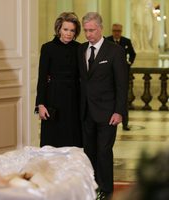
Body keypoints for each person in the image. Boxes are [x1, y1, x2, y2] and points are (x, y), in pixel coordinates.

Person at [78, 12, 128, 200]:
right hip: (85, 111)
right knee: (89, 152)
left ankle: (106, 191)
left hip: (108, 113)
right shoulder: (80, 49)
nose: (88, 34)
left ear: (101, 28)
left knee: (104, 152)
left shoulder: (114, 51)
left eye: (92, 30)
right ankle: (91, 187)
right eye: (86, 30)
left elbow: (122, 85)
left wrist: (119, 111)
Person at [35, 12, 82, 148]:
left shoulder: (79, 48)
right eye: (65, 29)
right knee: (52, 141)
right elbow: (42, 77)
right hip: (53, 99)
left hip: (74, 100)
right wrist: (40, 104)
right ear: (59, 29)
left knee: (73, 141)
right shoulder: (48, 48)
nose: (68, 33)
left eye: (72, 30)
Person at [107, 23, 136, 131]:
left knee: (123, 98)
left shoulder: (126, 41)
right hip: (109, 75)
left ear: (121, 31)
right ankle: (108, 121)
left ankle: (125, 123)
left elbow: (133, 54)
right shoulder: (107, 40)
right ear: (112, 31)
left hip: (123, 75)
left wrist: (128, 64)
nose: (116, 33)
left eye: (118, 31)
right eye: (114, 30)